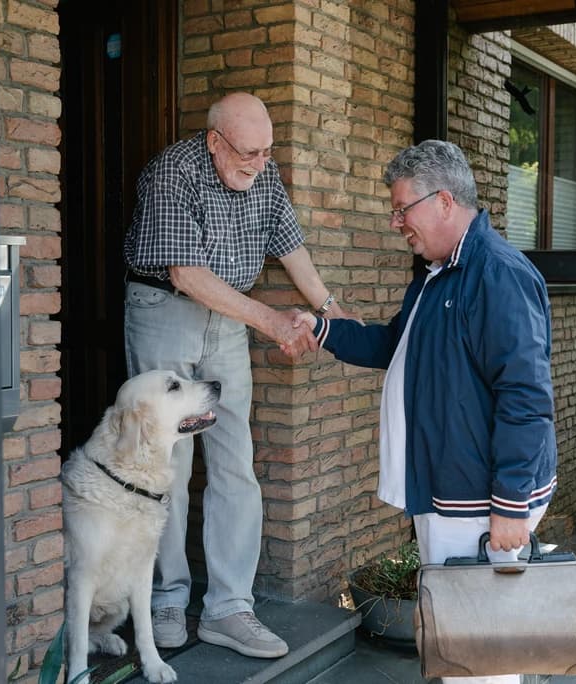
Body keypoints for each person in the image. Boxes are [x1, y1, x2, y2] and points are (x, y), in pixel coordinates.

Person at [296, 139, 557, 684]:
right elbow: (398, 345)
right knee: (454, 644)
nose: (396, 223)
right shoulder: (438, 274)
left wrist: (510, 503)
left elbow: (526, 398)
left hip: (480, 500)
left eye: (401, 208)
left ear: (442, 202)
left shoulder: (497, 275)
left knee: (480, 656)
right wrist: (323, 330)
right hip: (449, 490)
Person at [123, 92, 352, 659]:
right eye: (248, 151)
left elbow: (290, 247)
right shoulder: (172, 173)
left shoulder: (263, 171)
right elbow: (186, 273)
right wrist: (273, 321)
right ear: (215, 141)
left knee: (233, 461)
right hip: (165, 310)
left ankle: (228, 608)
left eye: (267, 151)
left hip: (227, 319)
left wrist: (332, 311)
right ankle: (167, 598)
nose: (259, 162)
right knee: (166, 462)